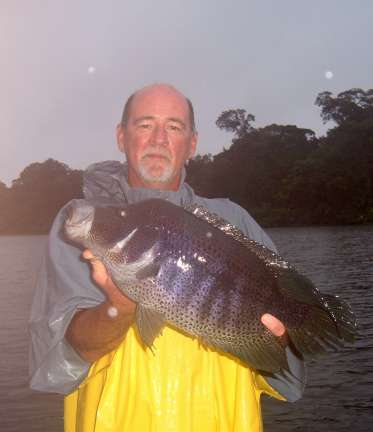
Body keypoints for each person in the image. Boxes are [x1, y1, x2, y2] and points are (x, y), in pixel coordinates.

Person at [29, 83, 306, 431]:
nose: (159, 138)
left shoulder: (234, 221)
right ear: (121, 136)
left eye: (174, 127)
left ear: (191, 144)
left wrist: (280, 340)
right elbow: (55, 365)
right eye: (145, 124)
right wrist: (119, 306)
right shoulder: (84, 223)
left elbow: (286, 369)